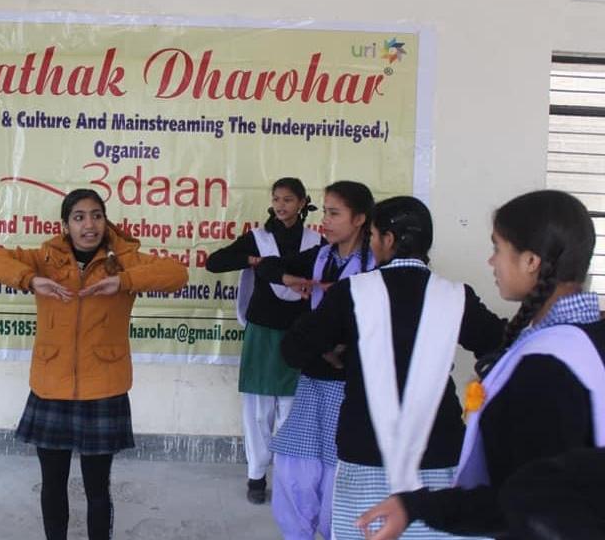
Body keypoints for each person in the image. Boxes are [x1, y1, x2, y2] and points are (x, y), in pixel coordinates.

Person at [357, 189, 605, 539]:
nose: (491, 263)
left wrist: (418, 507)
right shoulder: (587, 339)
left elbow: (527, 503)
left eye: (496, 249)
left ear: (531, 261)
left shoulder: (547, 367)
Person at [280, 196, 503, 539]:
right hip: (438, 447)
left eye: (372, 235)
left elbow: (293, 350)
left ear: (388, 240)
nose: (371, 243)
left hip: (365, 445)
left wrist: (338, 351)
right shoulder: (457, 295)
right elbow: (499, 347)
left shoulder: (352, 292)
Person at [0, 188, 188, 540]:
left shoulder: (123, 260)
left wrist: (124, 281)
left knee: (97, 489)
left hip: (103, 386)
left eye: (96, 215)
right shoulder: (45, 258)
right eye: (79, 217)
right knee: (53, 484)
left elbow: (176, 274)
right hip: (51, 385)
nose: (88, 225)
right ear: (65, 225)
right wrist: (31, 280)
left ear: (105, 222)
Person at [255, 180, 375, 540]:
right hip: (313, 376)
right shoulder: (320, 256)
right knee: (296, 467)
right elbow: (267, 267)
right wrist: (292, 279)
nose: (326, 220)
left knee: (340, 468)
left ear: (359, 219)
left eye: (334, 213)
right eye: (324, 211)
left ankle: (335, 531)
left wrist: (341, 349)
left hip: (350, 383)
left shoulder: (375, 265)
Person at [205, 177, 321, 503]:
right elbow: (215, 262)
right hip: (262, 329)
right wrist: (252, 261)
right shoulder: (258, 239)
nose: (281, 205)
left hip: (299, 333)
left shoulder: (316, 241)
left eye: (288, 199)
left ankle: (286, 476)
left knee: (291, 408)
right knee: (258, 409)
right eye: (276, 199)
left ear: (302, 203)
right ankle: (256, 475)